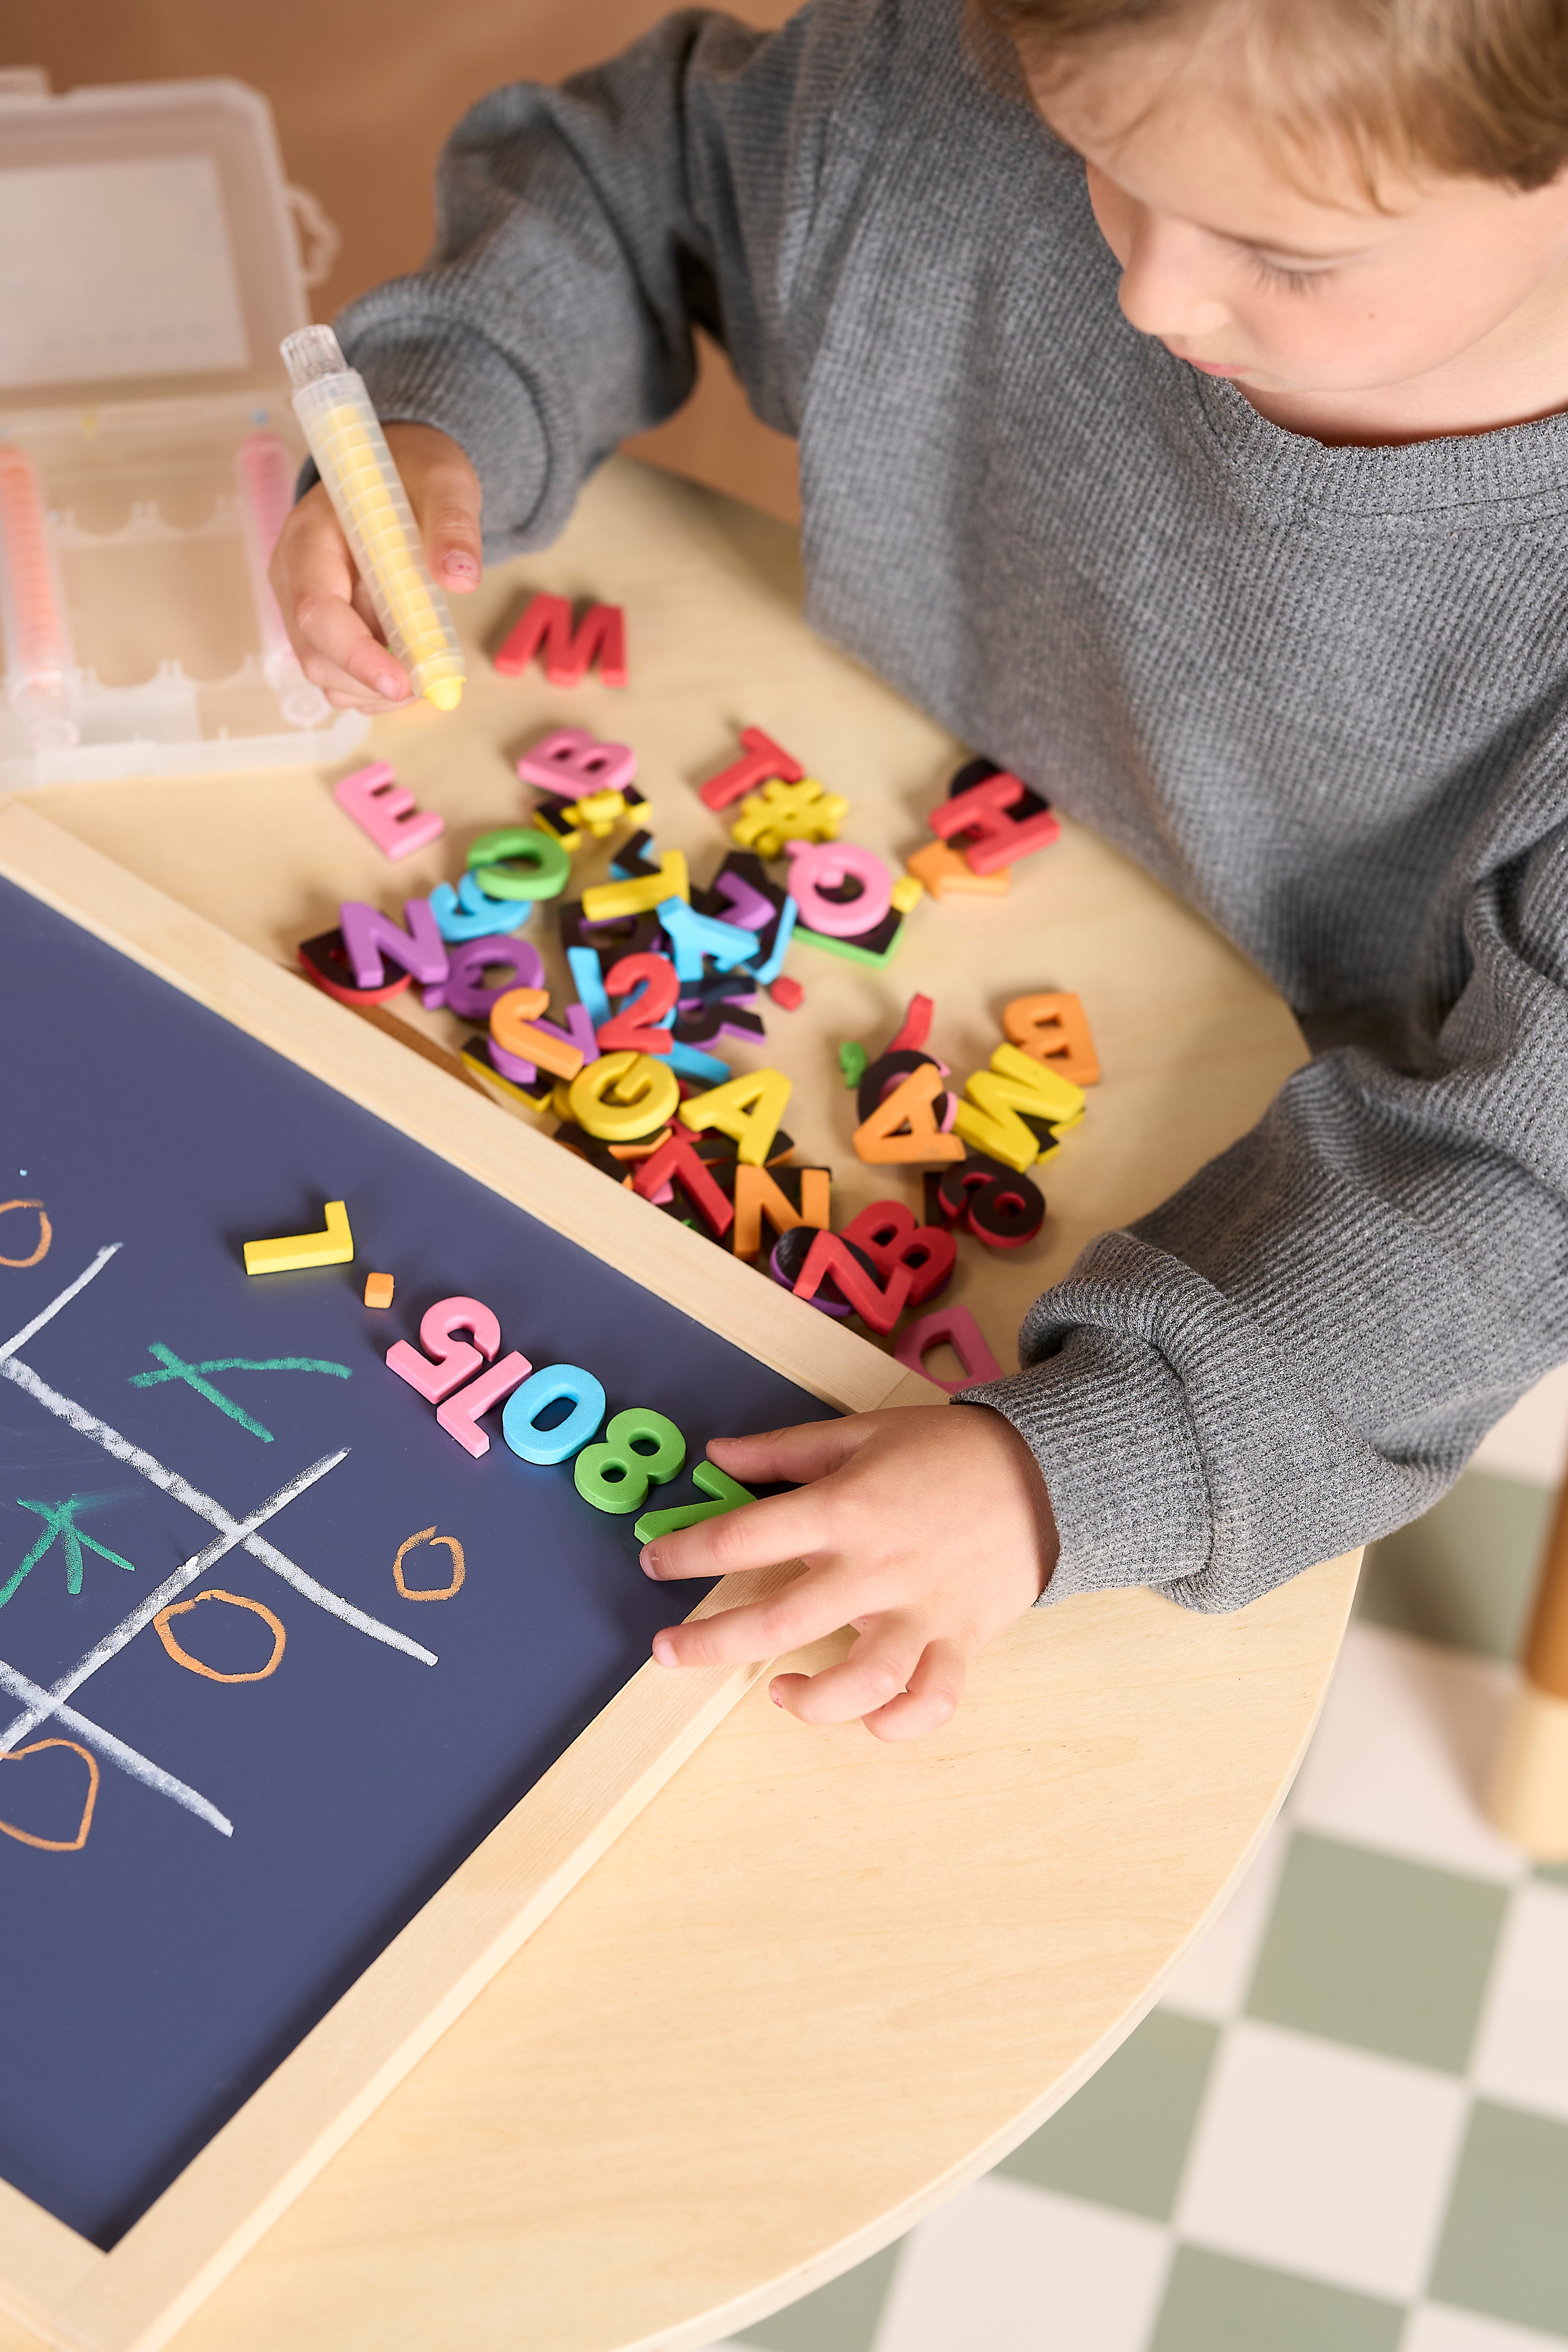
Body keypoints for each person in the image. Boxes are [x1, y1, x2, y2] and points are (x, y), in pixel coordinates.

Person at [273, 0, 1568, 1742]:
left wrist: (1060, 1478)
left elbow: (1506, 1206)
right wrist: (449, 412)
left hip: (1302, 1153)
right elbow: (636, 179)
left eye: (1283, 254)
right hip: (920, 865)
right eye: (1101, 163)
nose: (1155, 294)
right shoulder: (957, 90)